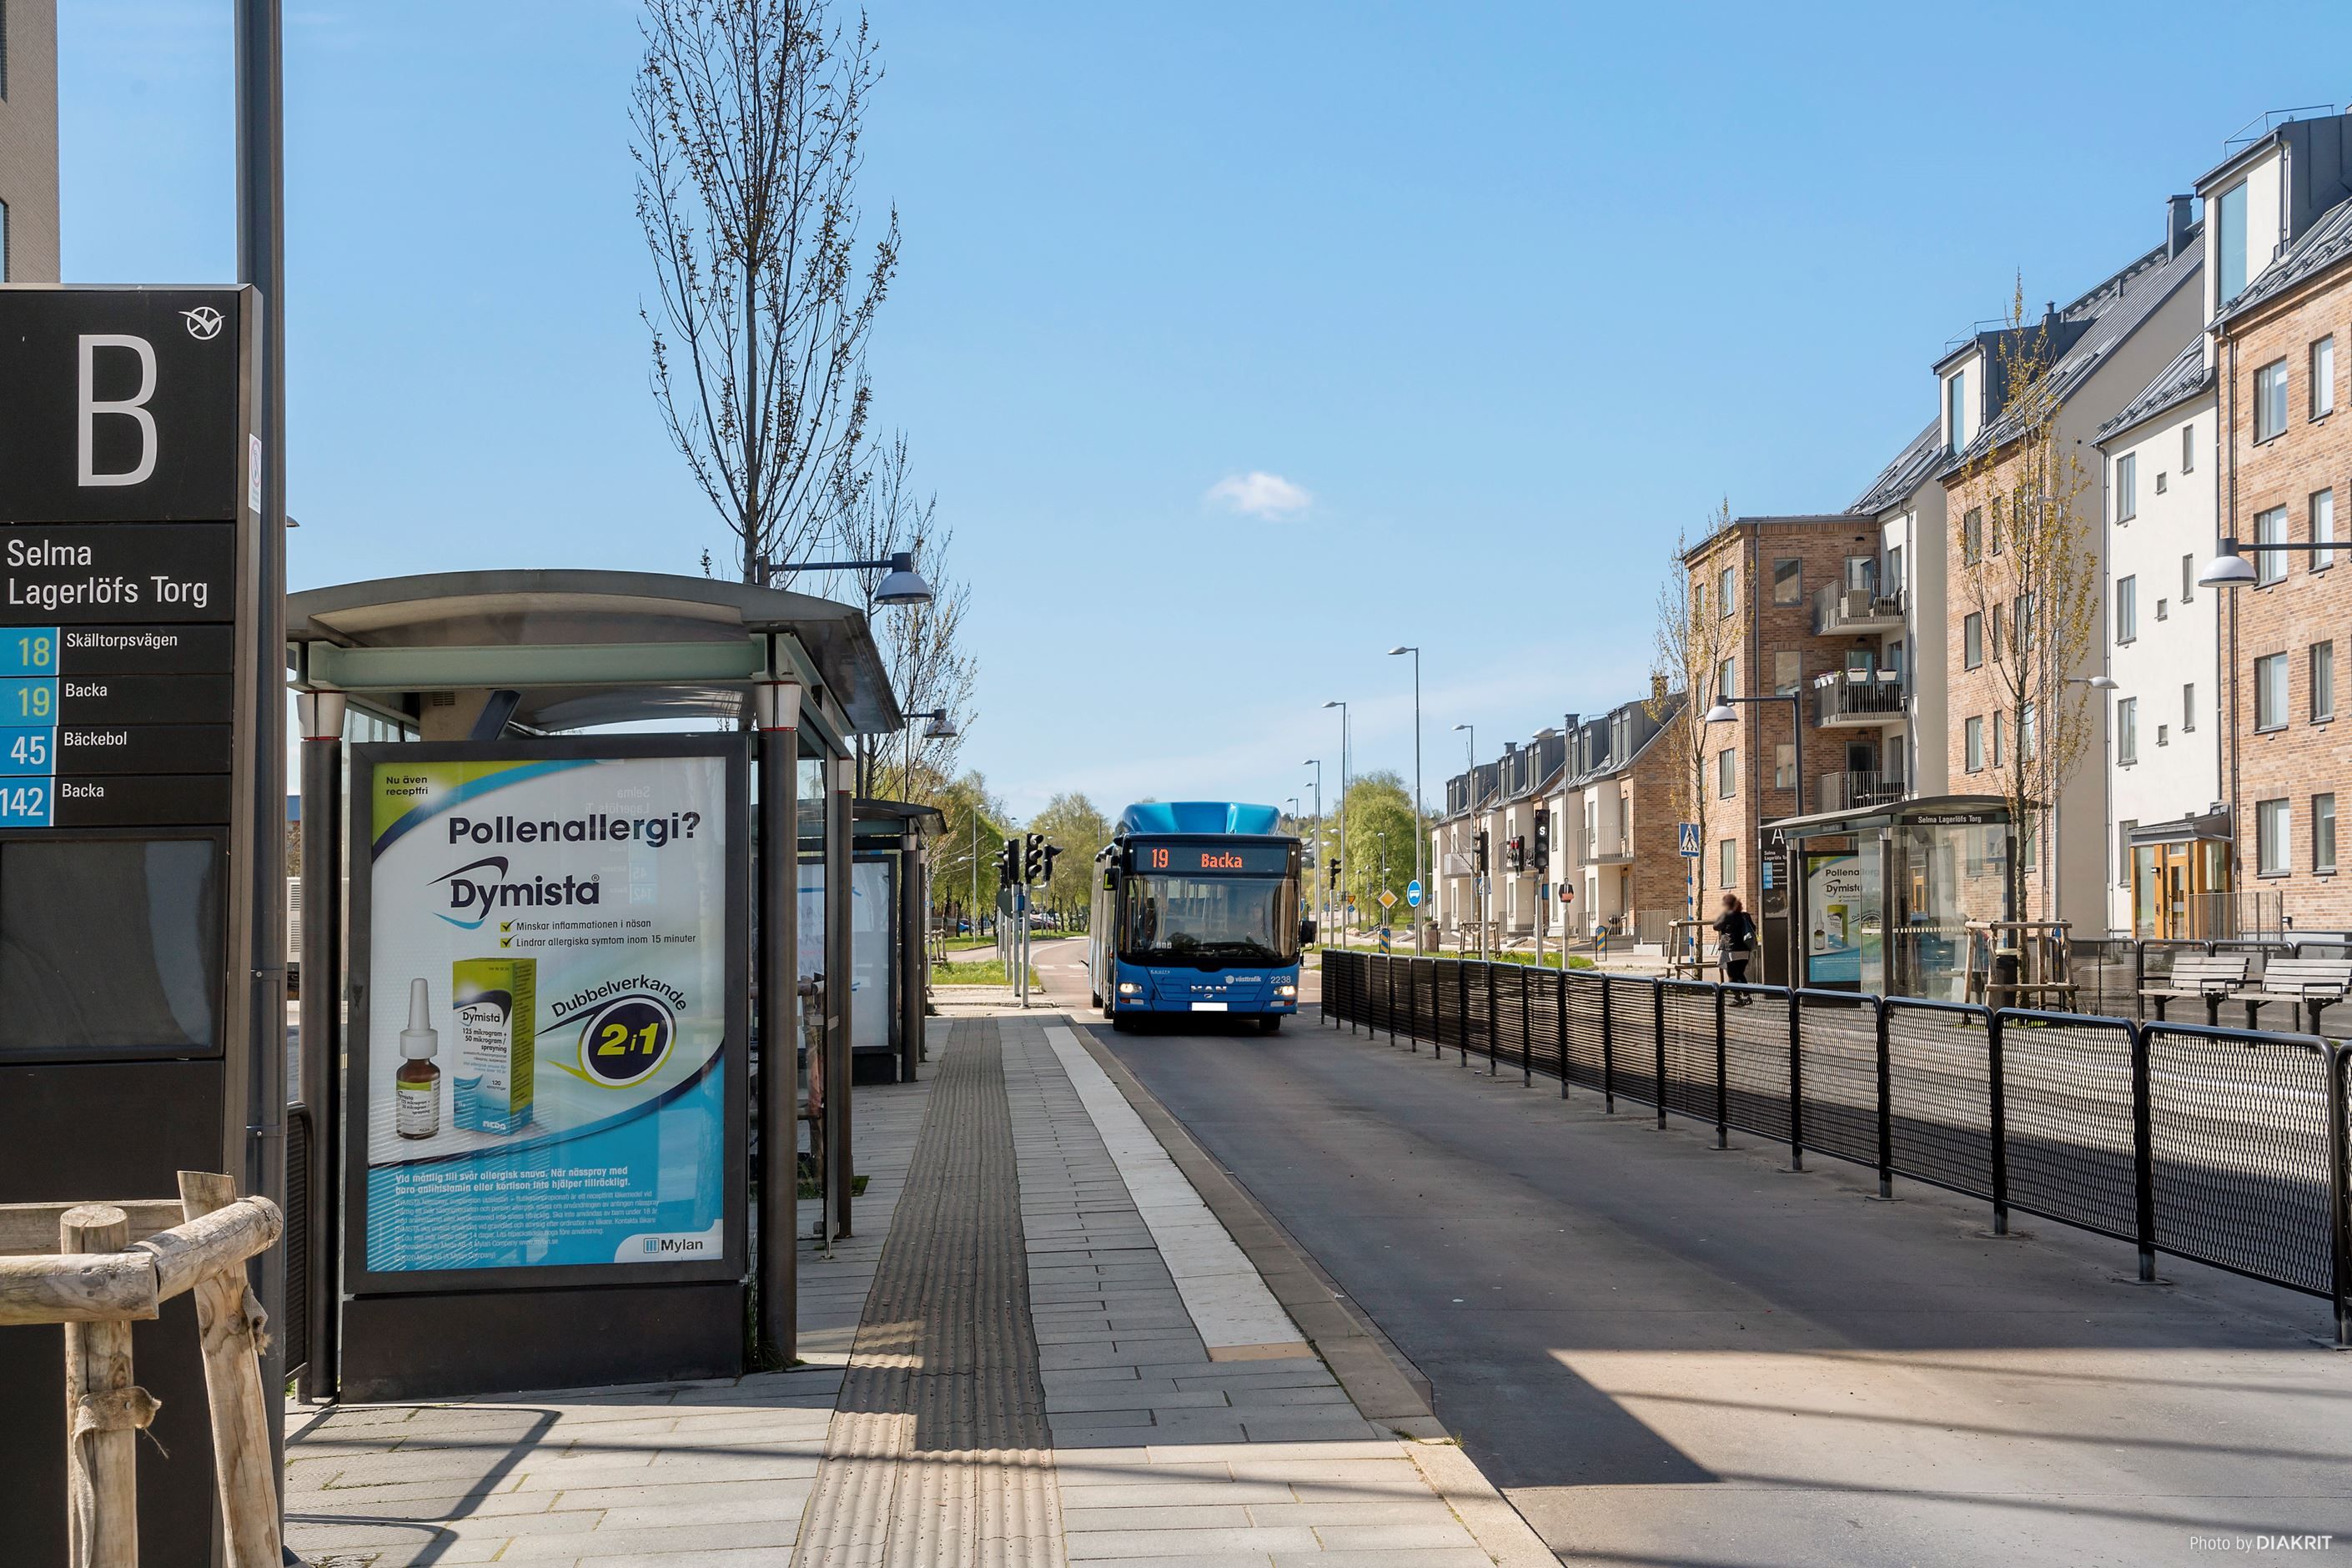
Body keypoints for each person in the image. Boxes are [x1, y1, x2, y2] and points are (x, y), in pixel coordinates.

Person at [1712, 892, 1757, 998]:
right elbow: (1753, 928)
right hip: (1745, 949)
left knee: (1732, 974)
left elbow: (1716, 926)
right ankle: (1746, 995)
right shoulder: (1745, 915)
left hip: (1731, 950)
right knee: (1740, 973)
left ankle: (1738, 997)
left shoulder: (1727, 915)